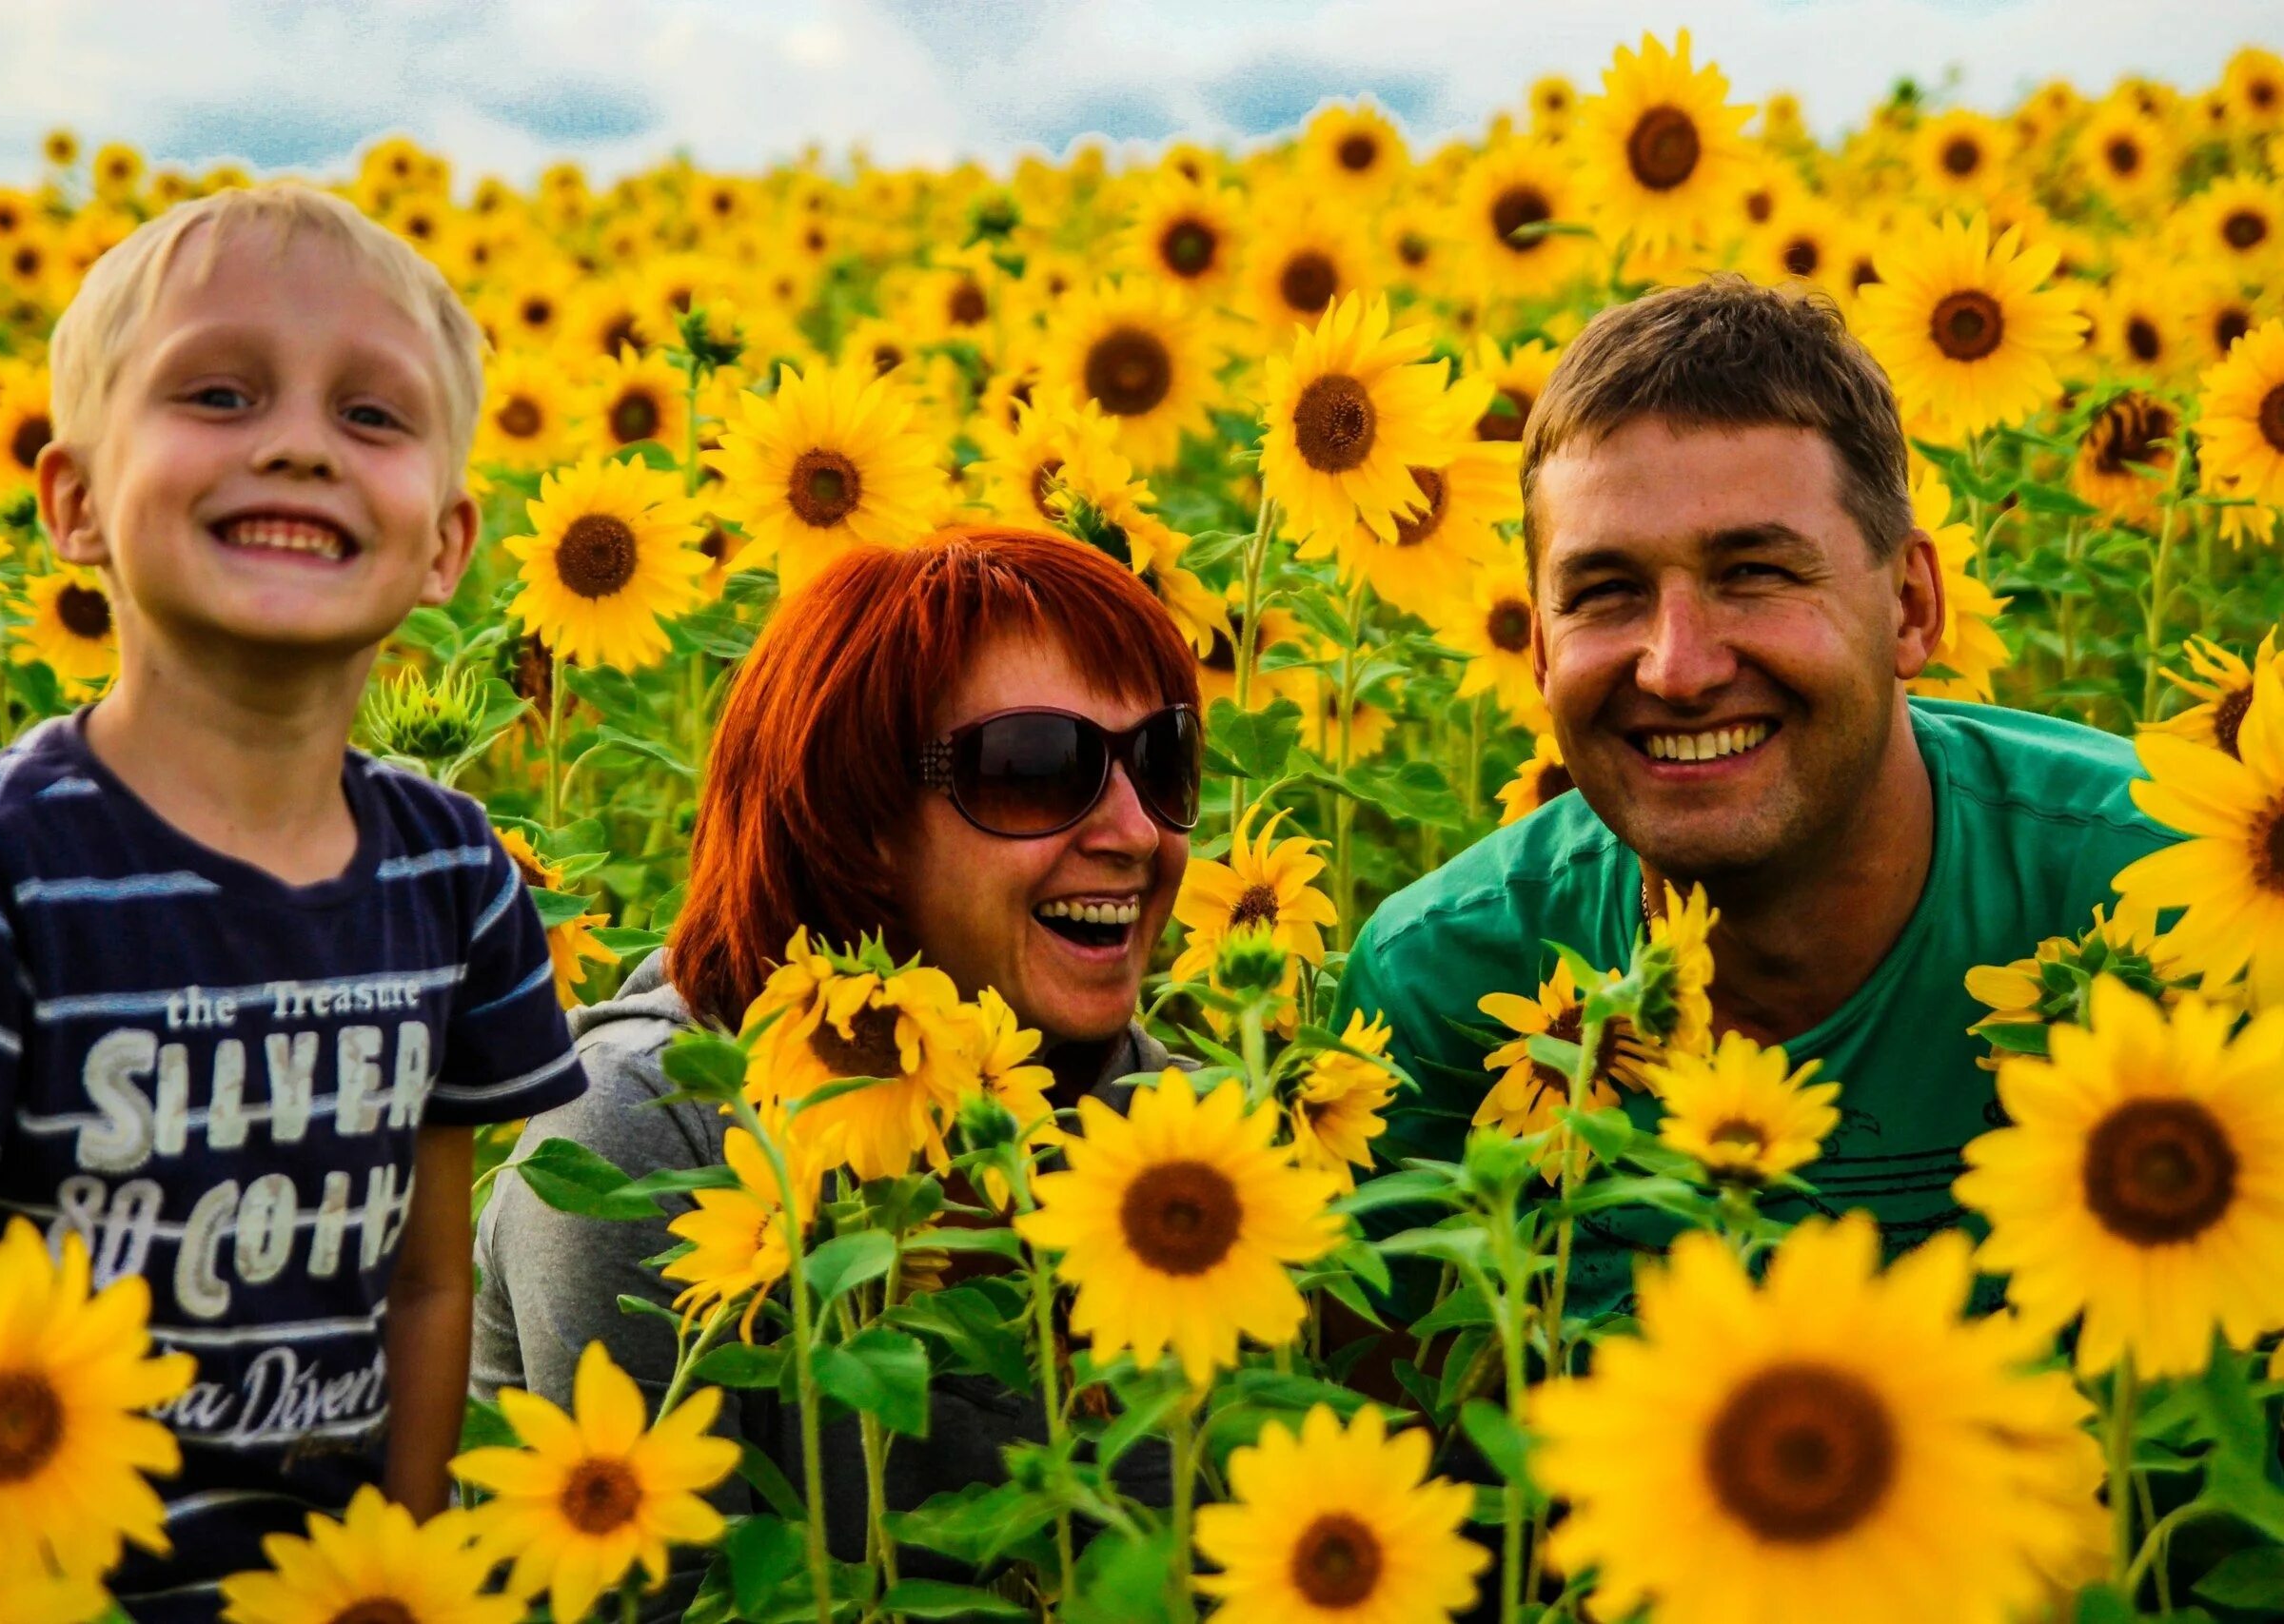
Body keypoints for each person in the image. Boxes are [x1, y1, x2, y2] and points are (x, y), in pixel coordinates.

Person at [0, 186, 586, 1619]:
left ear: (445, 542)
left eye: (372, 417)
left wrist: (399, 1566)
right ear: (72, 502)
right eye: (220, 390)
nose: (301, 442)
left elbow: (430, 1285)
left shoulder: (451, 872)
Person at [1336, 276, 2176, 1314]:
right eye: (1605, 592)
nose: (1676, 668)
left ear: (1912, 606)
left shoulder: (2163, 889)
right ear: (1541, 651)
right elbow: (1391, 1431)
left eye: (1756, 573)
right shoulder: (1442, 986)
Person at [472, 524, 1197, 1612]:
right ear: (854, 823)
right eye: (1038, 768)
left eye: (1163, 760)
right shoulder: (648, 1139)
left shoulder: (1176, 1132)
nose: (1136, 831)